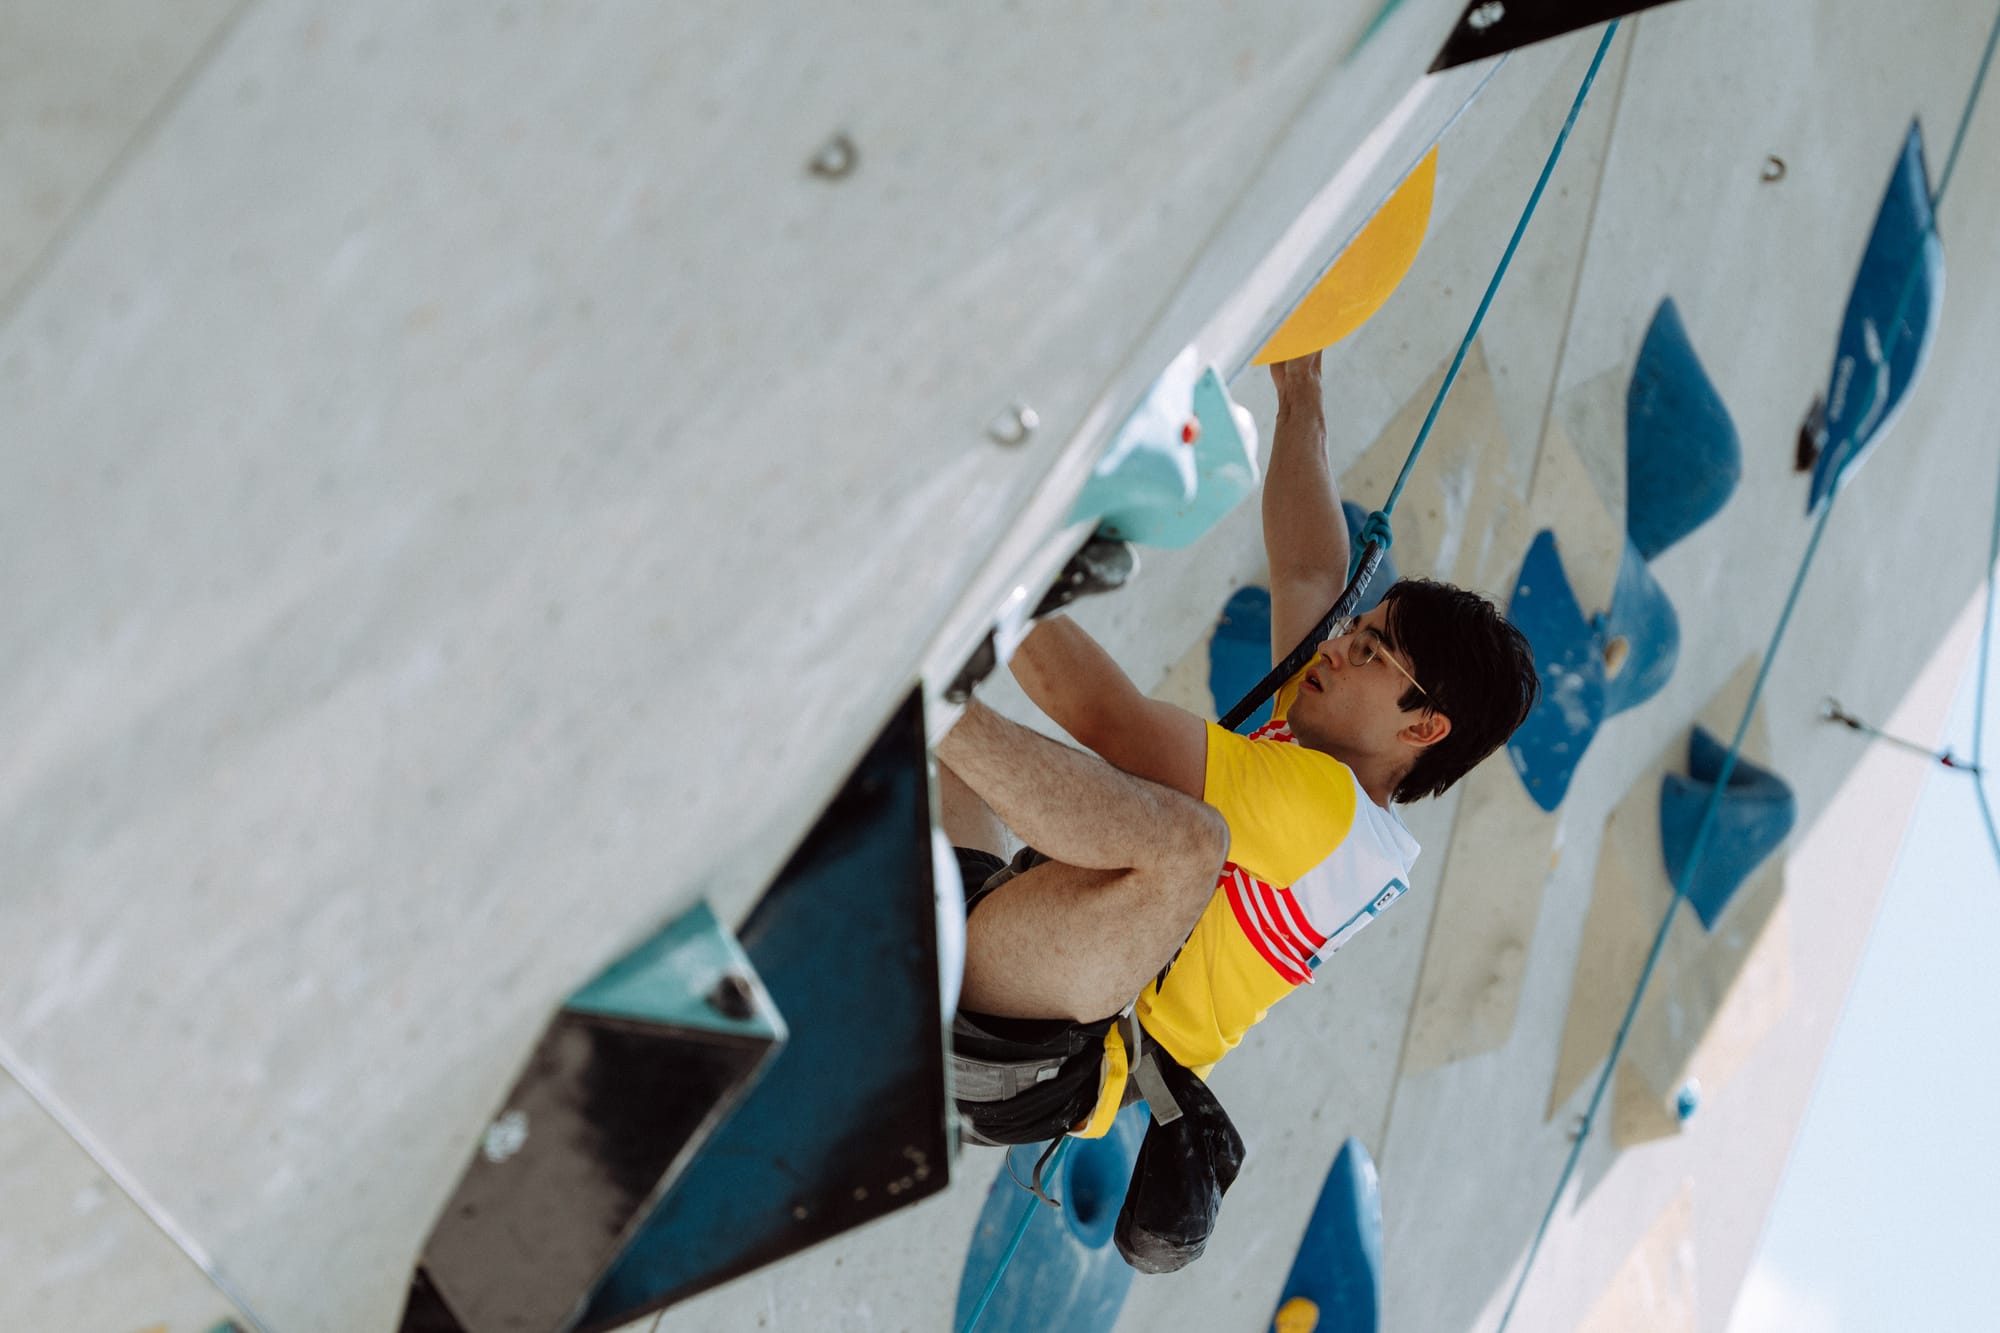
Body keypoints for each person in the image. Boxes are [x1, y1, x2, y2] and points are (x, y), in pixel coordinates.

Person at [935, 353, 1540, 1264]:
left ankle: (929, 691)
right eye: (1356, 632)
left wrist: (1004, 586)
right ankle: (932, 711)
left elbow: (1110, 723)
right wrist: (1303, 396)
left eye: (1370, 651)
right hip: (1020, 966)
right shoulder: (1341, 769)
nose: (1335, 648)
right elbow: (1308, 567)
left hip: (1040, 1050)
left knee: (1188, 843)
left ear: (1424, 725)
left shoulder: (1326, 813)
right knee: (963, 776)